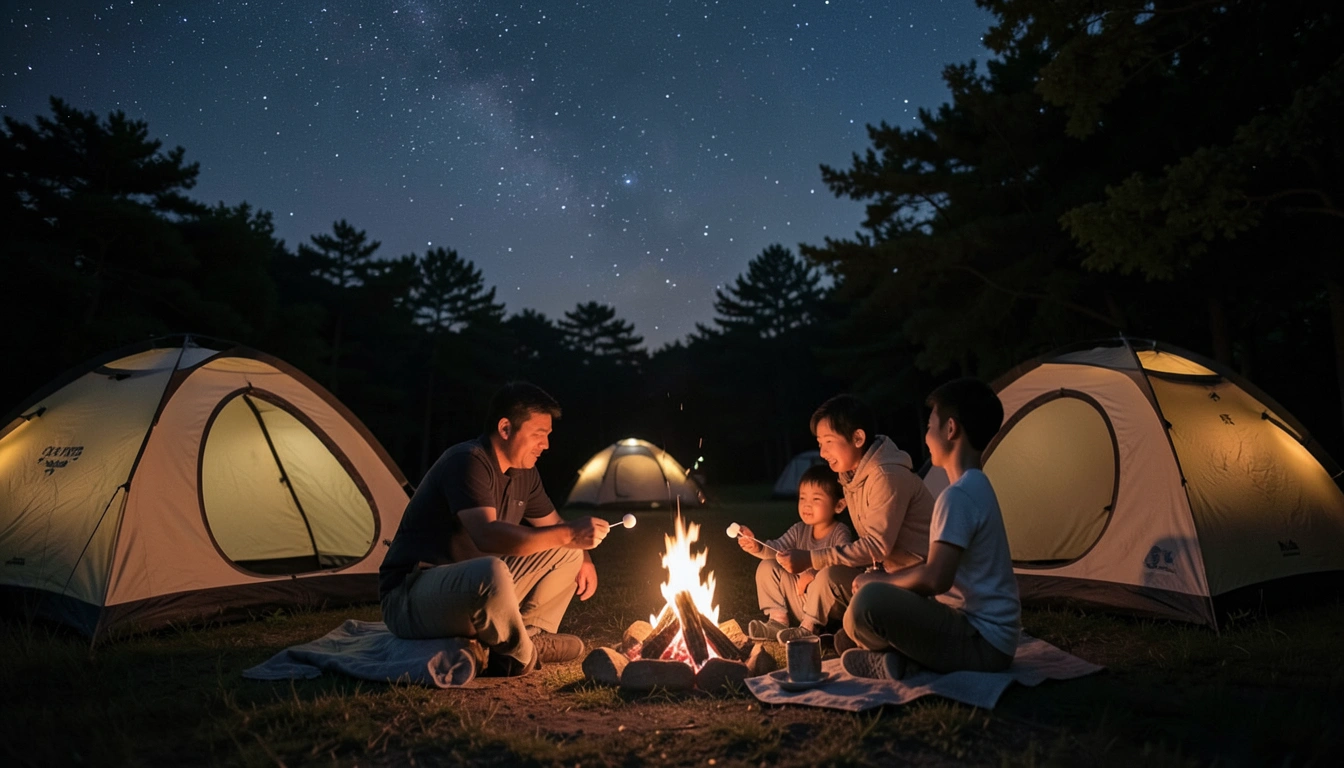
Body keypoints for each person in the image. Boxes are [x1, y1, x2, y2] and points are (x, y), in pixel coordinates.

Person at [379, 382, 611, 677]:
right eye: (539, 435)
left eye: (548, 436)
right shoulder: (467, 461)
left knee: (570, 555)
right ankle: (520, 655)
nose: (546, 445)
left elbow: (557, 527)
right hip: (411, 595)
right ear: (505, 428)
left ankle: (523, 637)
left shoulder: (525, 474)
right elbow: (486, 535)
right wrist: (569, 535)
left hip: (472, 592)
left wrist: (583, 554)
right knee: (492, 569)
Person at [840, 377, 1021, 679]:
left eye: (929, 426)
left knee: (867, 604)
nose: (925, 436)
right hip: (986, 638)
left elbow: (936, 578)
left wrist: (882, 581)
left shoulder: (959, 495)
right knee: (853, 623)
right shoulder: (977, 485)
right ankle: (902, 662)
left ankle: (904, 660)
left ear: (950, 429)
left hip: (983, 642)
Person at [773, 394, 937, 642]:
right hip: (886, 576)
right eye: (819, 443)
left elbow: (877, 546)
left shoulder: (886, 476)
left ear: (858, 438)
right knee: (831, 577)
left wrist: (811, 559)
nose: (823, 452)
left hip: (920, 583)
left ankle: (881, 636)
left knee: (829, 575)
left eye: (829, 442)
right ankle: (856, 631)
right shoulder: (852, 477)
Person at [737, 464, 855, 642]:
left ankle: (809, 629)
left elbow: (843, 566)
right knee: (767, 565)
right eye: (802, 498)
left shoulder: (840, 532)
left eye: (816, 499)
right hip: (801, 601)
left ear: (838, 505)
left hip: (829, 608)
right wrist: (758, 547)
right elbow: (778, 550)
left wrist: (813, 574)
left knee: (826, 576)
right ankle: (777, 621)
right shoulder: (799, 530)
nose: (807, 504)